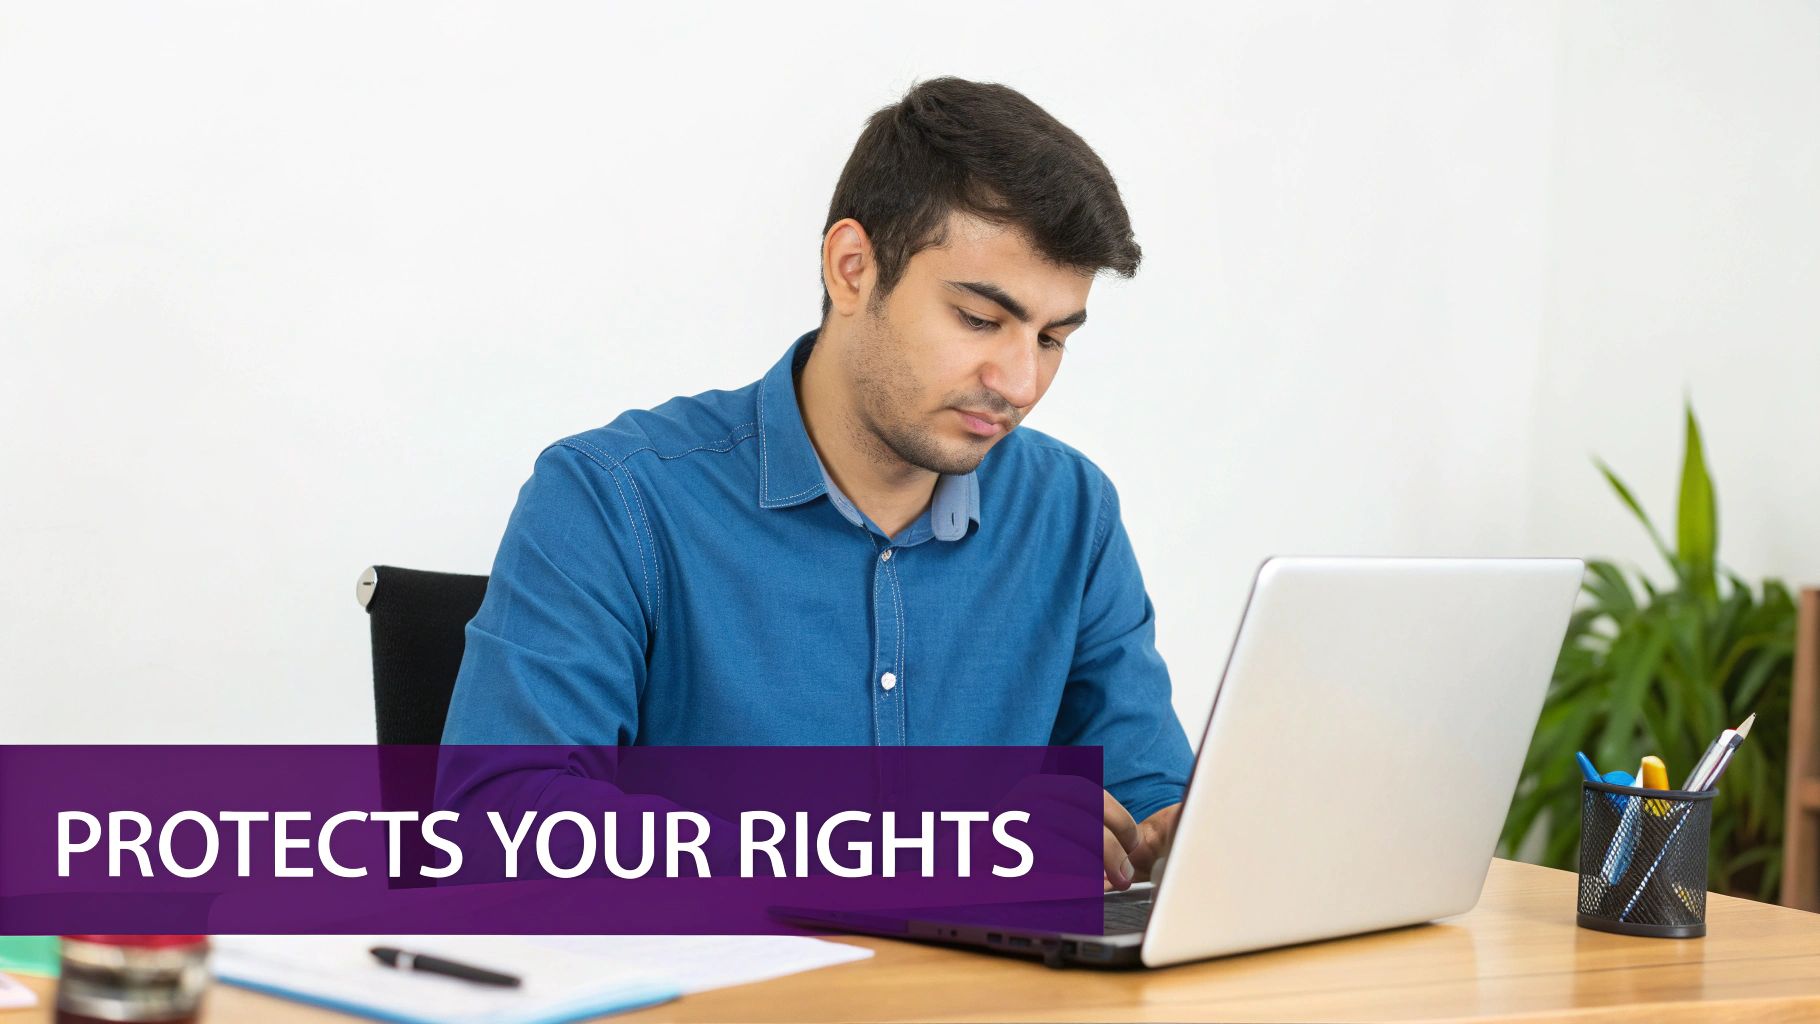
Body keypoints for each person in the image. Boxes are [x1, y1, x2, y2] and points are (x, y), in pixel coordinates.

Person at [442, 76, 1193, 890]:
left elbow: (1147, 799)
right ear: (852, 268)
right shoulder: (613, 498)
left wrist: (1199, 834)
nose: (1019, 382)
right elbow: (500, 825)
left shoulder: (1070, 513)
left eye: (1052, 338)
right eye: (981, 320)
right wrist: (920, 855)